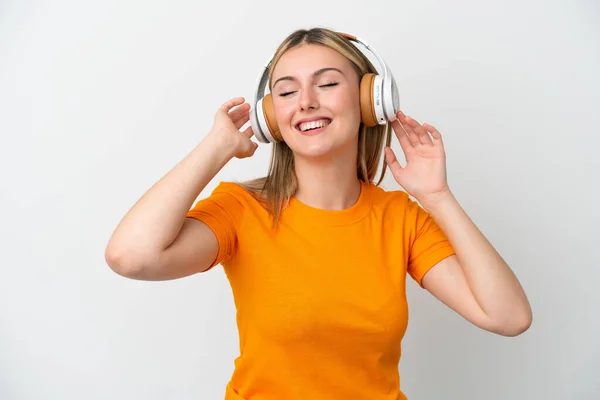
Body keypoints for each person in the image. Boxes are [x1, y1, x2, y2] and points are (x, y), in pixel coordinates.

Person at [105, 27, 532, 400]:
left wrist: (437, 196)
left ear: (370, 100)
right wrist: (216, 148)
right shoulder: (242, 211)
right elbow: (131, 256)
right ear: (271, 117)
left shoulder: (400, 218)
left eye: (326, 84)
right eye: (286, 92)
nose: (305, 102)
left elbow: (508, 317)